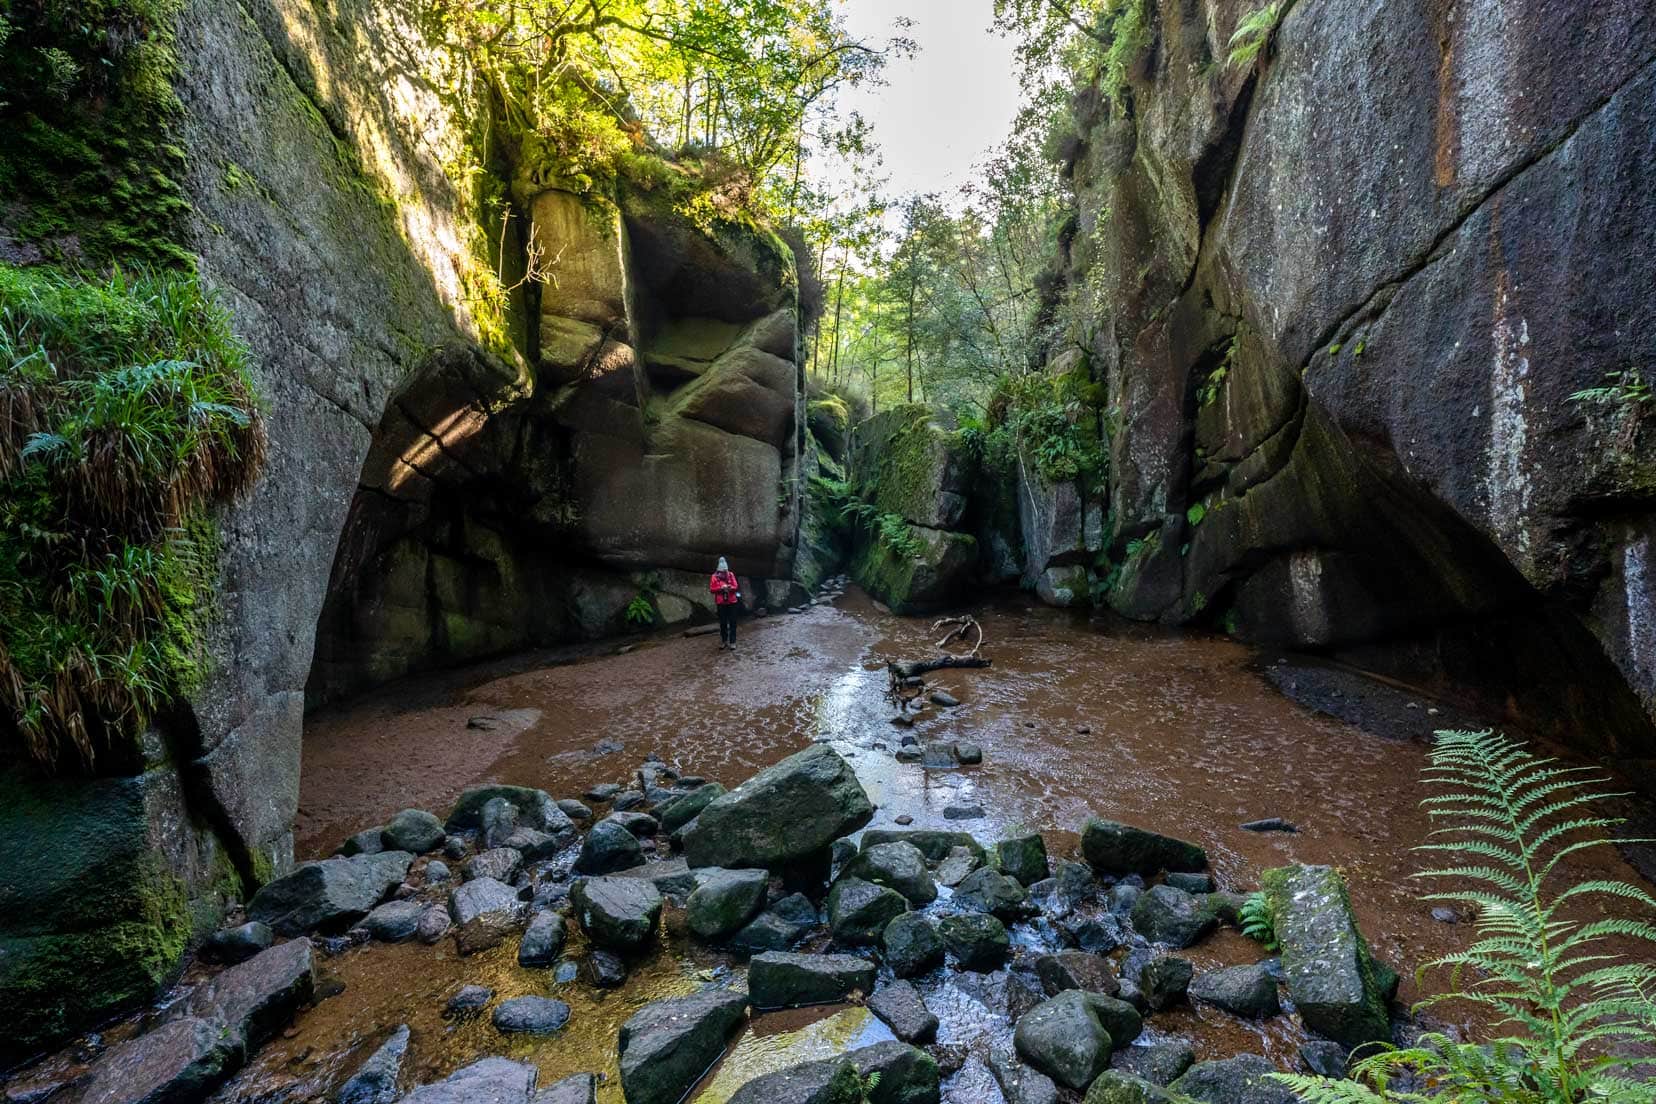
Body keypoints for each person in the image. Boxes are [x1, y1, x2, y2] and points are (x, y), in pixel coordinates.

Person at [709, 557, 741, 650]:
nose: (724, 572)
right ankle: (724, 641)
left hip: (732, 602)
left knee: (733, 622)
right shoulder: (714, 577)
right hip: (721, 603)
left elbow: (736, 586)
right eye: (722, 571)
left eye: (725, 571)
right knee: (723, 623)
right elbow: (712, 589)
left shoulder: (731, 574)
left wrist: (729, 587)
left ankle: (732, 642)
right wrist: (721, 589)